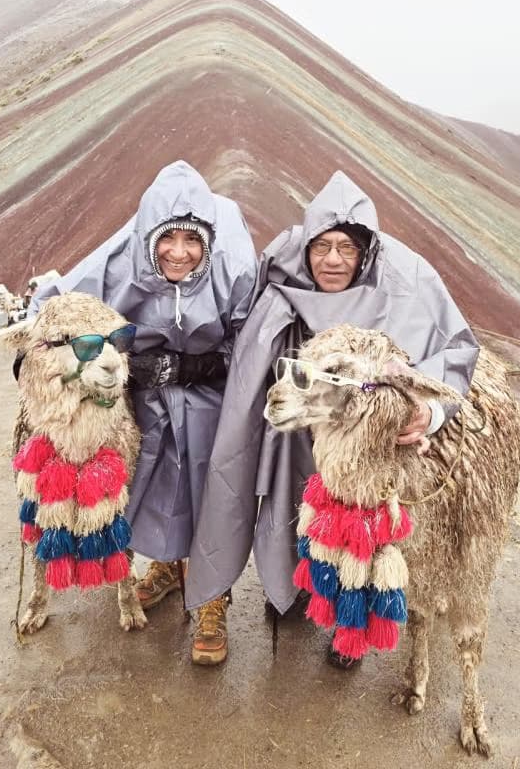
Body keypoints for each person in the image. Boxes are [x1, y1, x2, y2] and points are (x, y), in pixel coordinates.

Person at [185, 169, 479, 667]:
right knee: (292, 503)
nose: (333, 260)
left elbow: (454, 350)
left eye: (347, 248)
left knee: (360, 521)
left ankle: (351, 624)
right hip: (296, 426)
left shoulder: (407, 282)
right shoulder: (281, 274)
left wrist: (427, 413)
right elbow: (241, 331)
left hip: (364, 436)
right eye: (322, 246)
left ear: (366, 251)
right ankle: (296, 588)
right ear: (307, 247)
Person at [28, 160, 258, 664]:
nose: (179, 252)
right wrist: (38, 357)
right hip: (142, 396)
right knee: (152, 488)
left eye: (192, 241)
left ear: (209, 241)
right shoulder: (119, 260)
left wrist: (199, 365)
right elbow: (60, 305)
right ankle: (168, 565)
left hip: (212, 397)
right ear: (149, 234)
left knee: (211, 493)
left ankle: (211, 597)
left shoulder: (234, 266)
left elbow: (251, 337)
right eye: (167, 238)